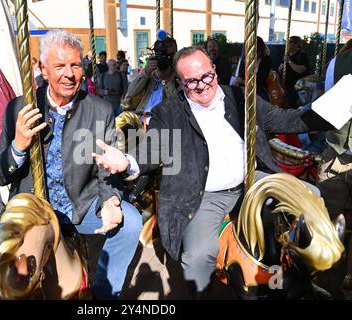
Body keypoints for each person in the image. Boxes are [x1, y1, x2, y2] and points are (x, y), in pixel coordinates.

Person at [93, 46, 338, 298]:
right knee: (199, 254)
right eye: (191, 81)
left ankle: (302, 276)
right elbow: (153, 148)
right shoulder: (169, 113)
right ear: (180, 83)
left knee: (311, 194)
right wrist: (127, 161)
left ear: (215, 72)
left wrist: (336, 109)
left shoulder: (242, 98)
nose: (201, 85)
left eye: (206, 76)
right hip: (204, 195)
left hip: (255, 182)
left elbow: (288, 119)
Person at [0, 29, 142, 299]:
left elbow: (106, 169)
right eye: (59, 66)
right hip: (34, 212)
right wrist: (19, 147)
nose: (69, 74)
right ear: (43, 69)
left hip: (81, 206)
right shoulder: (20, 108)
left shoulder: (100, 110)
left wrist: (111, 200)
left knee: (130, 221)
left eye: (75, 65)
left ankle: (106, 292)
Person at [317, 43, 352, 295]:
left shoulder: (337, 62)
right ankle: (329, 285)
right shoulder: (337, 62)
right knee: (330, 228)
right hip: (337, 155)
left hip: (337, 155)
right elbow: (329, 107)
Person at [125, 33, 179, 125]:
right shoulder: (150, 71)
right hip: (142, 121)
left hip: (163, 124)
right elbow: (131, 92)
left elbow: (176, 104)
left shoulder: (179, 73)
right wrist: (145, 73)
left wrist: (165, 79)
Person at [235, 36, 272, 101]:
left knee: (261, 97)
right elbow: (240, 76)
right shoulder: (245, 60)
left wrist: (243, 82)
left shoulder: (266, 61)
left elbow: (260, 80)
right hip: (245, 88)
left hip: (259, 89)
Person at [278, 36, 310, 108]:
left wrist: (289, 61)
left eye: (290, 42)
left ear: (296, 44)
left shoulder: (302, 55)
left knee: (291, 98)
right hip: (285, 83)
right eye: (288, 42)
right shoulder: (287, 55)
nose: (288, 44)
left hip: (297, 84)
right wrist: (282, 65)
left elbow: (300, 70)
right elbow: (280, 68)